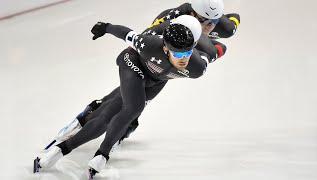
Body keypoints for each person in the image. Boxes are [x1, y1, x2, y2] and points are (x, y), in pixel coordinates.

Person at [41, 0, 240, 152]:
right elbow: (141, 48)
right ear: (190, 13)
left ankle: (119, 113)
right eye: (205, 21)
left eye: (214, 22)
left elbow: (233, 19)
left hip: (187, 49)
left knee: (151, 87)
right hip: (161, 47)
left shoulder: (222, 27)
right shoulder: (168, 21)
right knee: (142, 81)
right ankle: (101, 109)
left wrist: (213, 48)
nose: (210, 26)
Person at [34, 15, 219, 178]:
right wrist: (106, 26)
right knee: (131, 108)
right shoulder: (149, 44)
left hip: (156, 80)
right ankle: (67, 150)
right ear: (165, 48)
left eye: (187, 52)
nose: (182, 58)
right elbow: (127, 34)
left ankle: (95, 117)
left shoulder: (196, 68)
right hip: (133, 63)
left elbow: (215, 51)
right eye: (177, 53)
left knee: (122, 108)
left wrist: (216, 50)